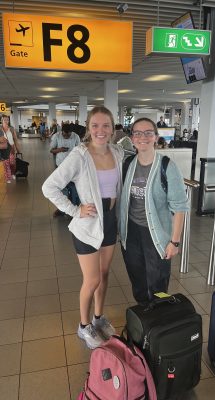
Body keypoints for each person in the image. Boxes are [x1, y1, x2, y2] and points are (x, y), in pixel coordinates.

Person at [42, 106, 124, 349]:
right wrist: (75, 210)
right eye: (95, 125)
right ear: (88, 127)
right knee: (92, 279)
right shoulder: (79, 155)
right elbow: (49, 187)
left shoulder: (117, 152)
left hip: (109, 221)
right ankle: (84, 325)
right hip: (88, 225)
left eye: (106, 125)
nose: (101, 130)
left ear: (112, 127)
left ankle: (98, 318)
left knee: (105, 275)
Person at [120, 117, 189, 306]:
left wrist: (174, 242)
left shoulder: (167, 166)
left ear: (156, 137)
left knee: (158, 284)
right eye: (138, 133)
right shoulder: (128, 164)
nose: (143, 137)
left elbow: (180, 207)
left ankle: (160, 317)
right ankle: (145, 319)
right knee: (138, 280)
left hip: (156, 234)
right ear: (132, 138)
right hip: (131, 232)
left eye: (148, 133)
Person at [50, 123, 80, 216]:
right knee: (62, 188)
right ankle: (61, 209)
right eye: (65, 134)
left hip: (73, 166)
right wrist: (60, 150)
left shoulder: (76, 136)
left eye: (69, 135)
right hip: (60, 166)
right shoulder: (56, 136)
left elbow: (80, 149)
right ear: (61, 131)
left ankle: (75, 207)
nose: (67, 136)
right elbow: (51, 150)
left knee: (75, 188)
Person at [0, 114, 20, 184]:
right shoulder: (0, 129)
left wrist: (18, 149)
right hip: (4, 148)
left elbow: (15, 139)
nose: (6, 121)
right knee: (6, 164)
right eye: (4, 120)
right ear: (1, 120)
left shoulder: (11, 128)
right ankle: (8, 177)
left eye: (7, 120)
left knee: (12, 163)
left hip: (11, 147)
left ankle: (12, 173)